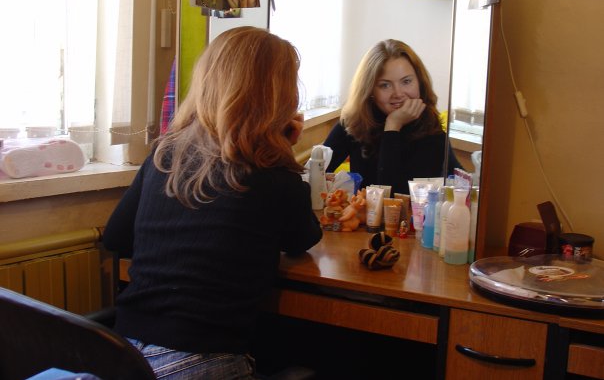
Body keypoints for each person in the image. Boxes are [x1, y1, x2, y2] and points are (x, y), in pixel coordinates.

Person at [103, 26, 322, 379]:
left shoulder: (164, 155)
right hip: (201, 361)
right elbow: (304, 238)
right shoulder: (274, 177)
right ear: (278, 98)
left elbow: (116, 237)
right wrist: (283, 151)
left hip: (123, 355)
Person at [323, 39, 461, 194]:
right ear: (370, 90)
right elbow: (315, 171)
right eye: (385, 85)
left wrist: (393, 126)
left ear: (420, 83)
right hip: (360, 210)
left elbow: (394, 196)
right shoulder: (355, 121)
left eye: (406, 81)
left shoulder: (432, 131)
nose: (398, 94)